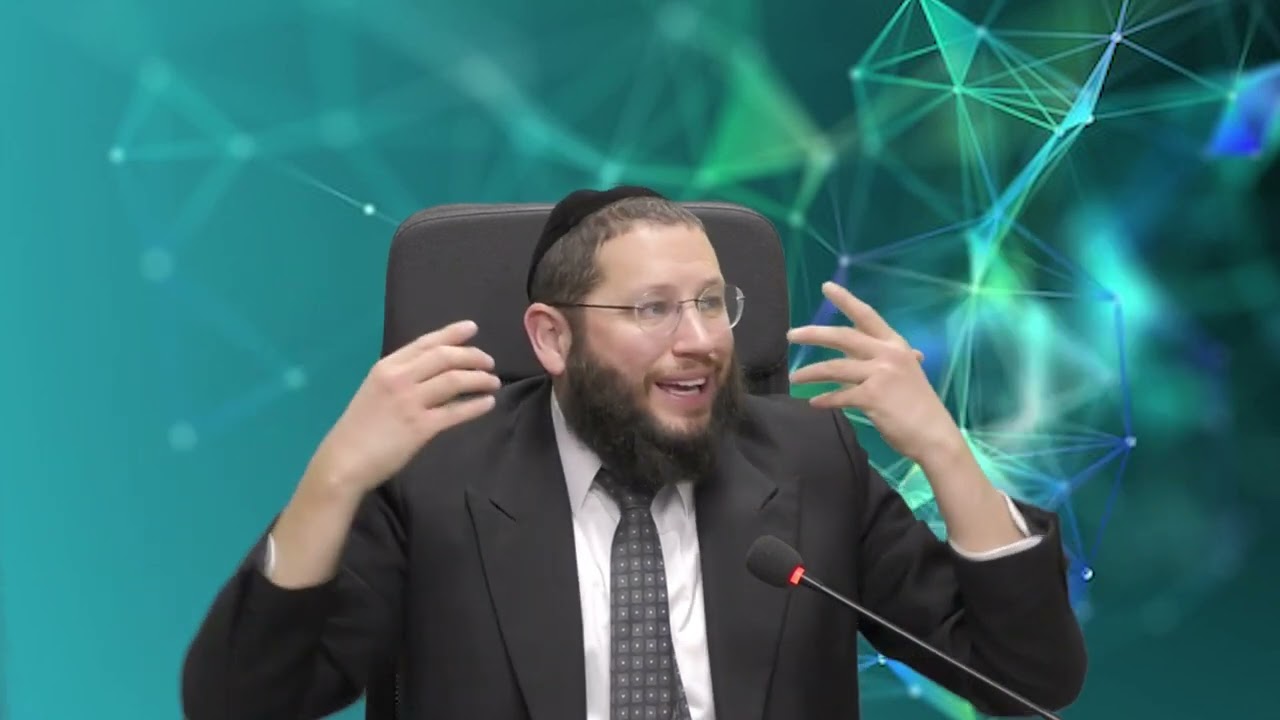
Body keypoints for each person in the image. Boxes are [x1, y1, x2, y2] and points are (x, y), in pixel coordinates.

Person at [181, 186, 1087, 720]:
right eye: (653, 309)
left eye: (711, 303)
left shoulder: (811, 458)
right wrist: (335, 477)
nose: (699, 340)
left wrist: (942, 451)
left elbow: (1026, 680)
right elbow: (241, 704)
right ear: (551, 338)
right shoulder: (437, 476)